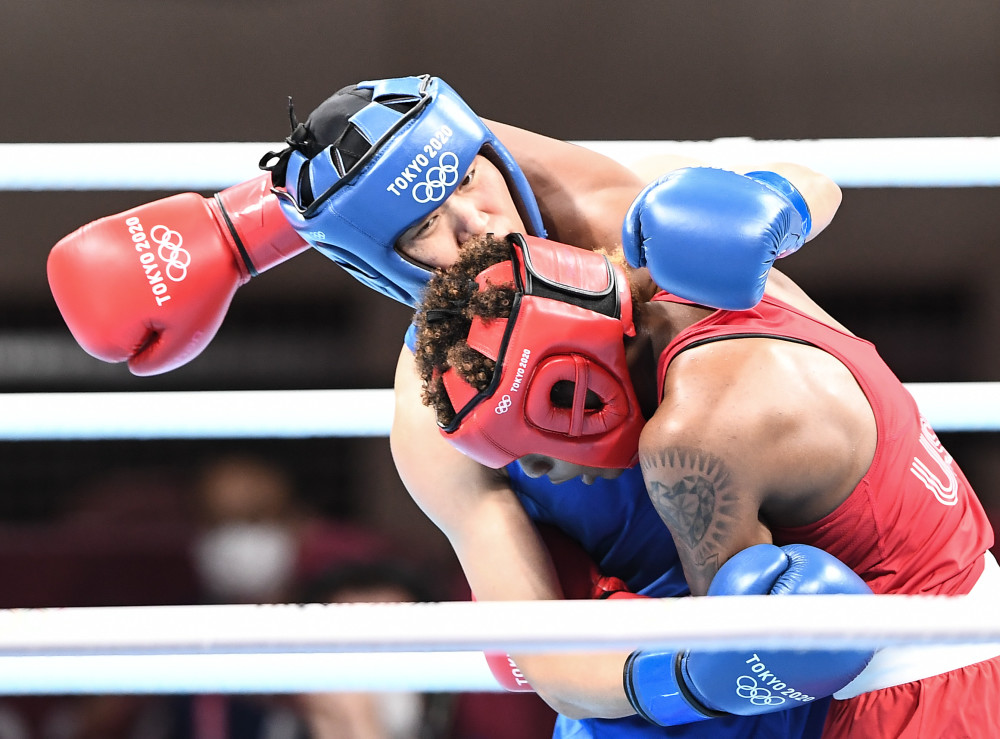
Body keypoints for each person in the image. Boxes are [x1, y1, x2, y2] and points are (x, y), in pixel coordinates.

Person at [46, 74, 846, 738]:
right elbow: (551, 660)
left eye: (468, 179)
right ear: (386, 269)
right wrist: (705, 679)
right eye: (429, 224)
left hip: (835, 601)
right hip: (655, 682)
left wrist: (774, 203)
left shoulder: (617, 214)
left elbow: (813, 181)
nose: (479, 226)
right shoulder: (433, 419)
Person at [413, 231, 1000, 738]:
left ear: (570, 384)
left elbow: (742, 665)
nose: (542, 475)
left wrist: (602, 607)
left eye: (532, 453)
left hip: (912, 699)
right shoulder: (727, 283)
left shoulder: (688, 443)